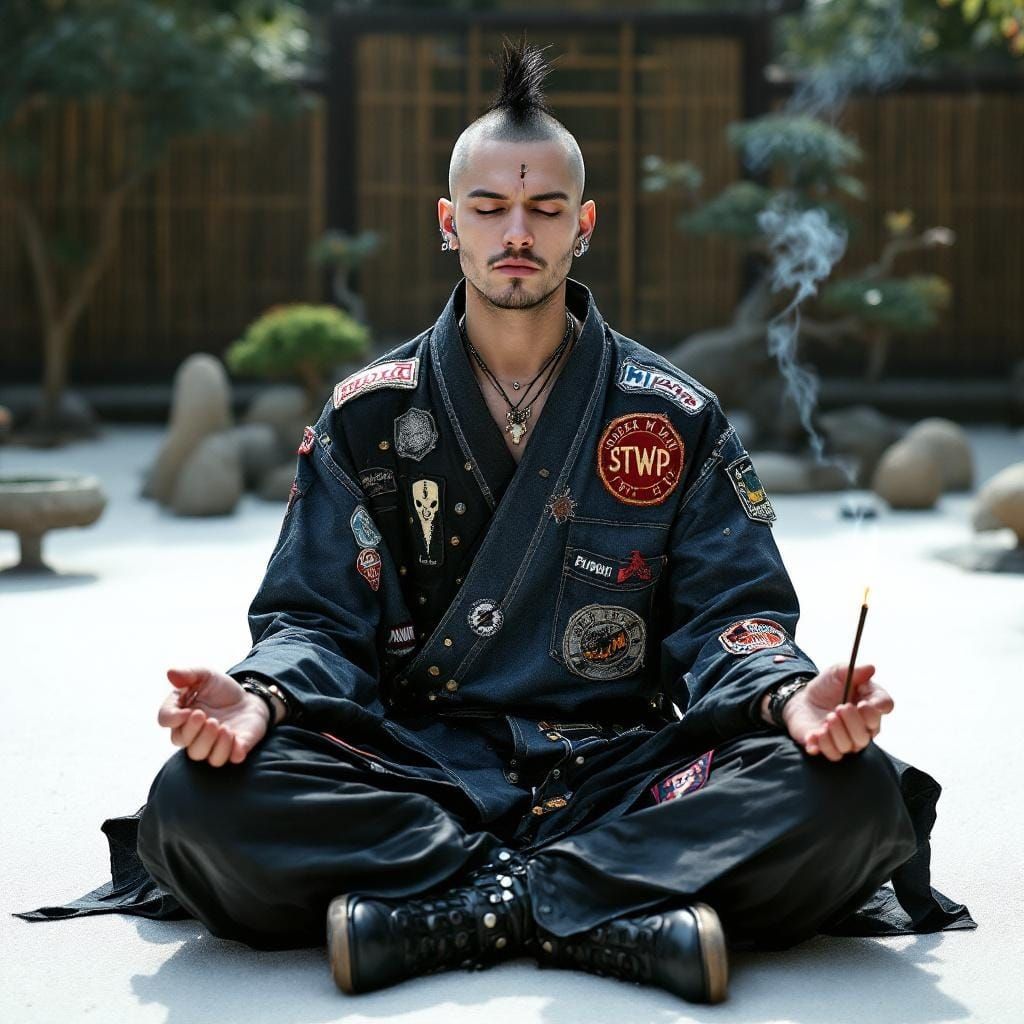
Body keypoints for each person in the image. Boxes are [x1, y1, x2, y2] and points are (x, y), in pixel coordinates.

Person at [14, 37, 975, 1004]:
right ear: (449, 223)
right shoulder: (369, 413)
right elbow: (313, 623)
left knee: (858, 793)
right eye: (490, 207)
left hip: (622, 769)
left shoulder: (671, 414)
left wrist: (785, 696)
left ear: (583, 224)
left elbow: (734, 616)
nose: (518, 229)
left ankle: (459, 912)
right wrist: (262, 695)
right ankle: (612, 911)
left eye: (546, 207)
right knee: (193, 805)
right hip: (417, 772)